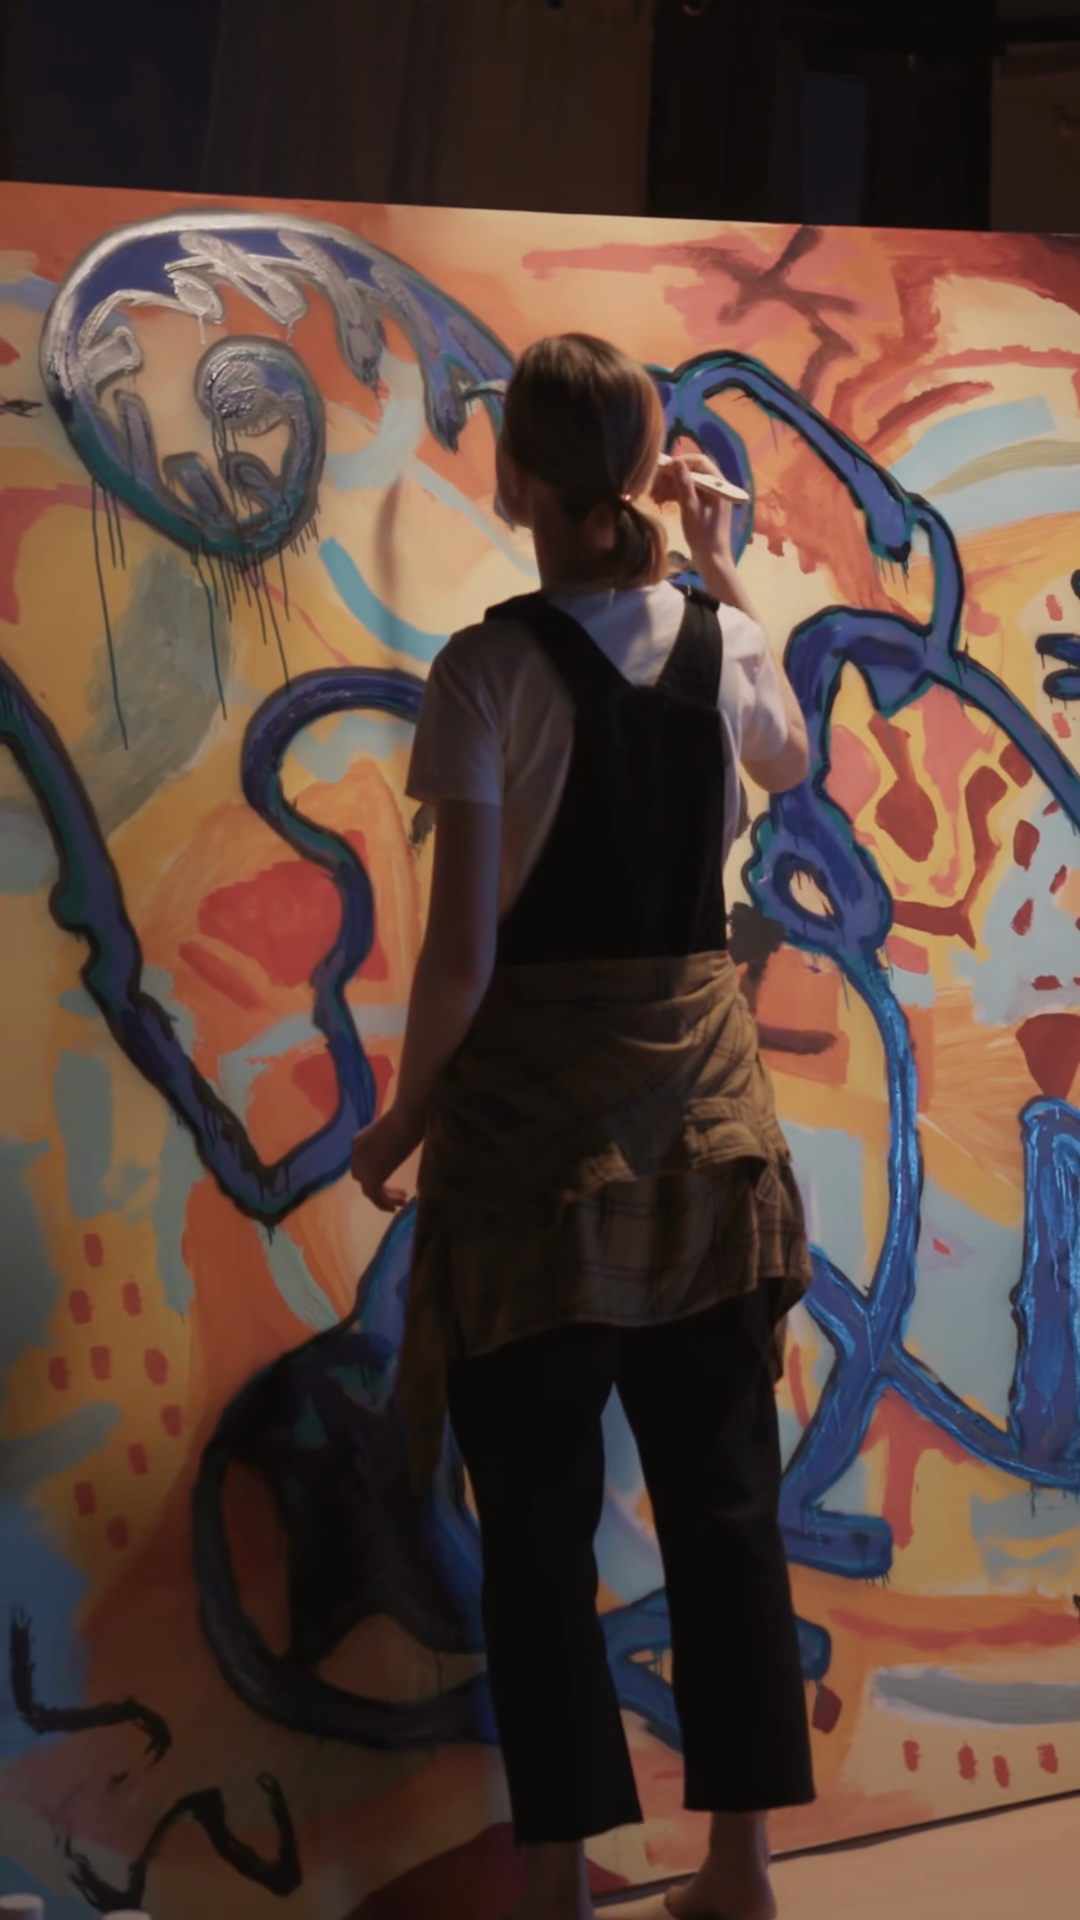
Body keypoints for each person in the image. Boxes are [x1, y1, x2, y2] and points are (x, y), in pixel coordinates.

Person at [350, 334, 815, 1920]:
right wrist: (721, 568)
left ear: (517, 482)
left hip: (537, 1166)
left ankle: (552, 1876)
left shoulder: (484, 675)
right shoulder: (721, 642)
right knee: (726, 1511)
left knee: (538, 1527)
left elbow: (462, 958)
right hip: (706, 1145)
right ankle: (739, 1872)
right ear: (638, 472)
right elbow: (789, 755)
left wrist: (400, 1123)